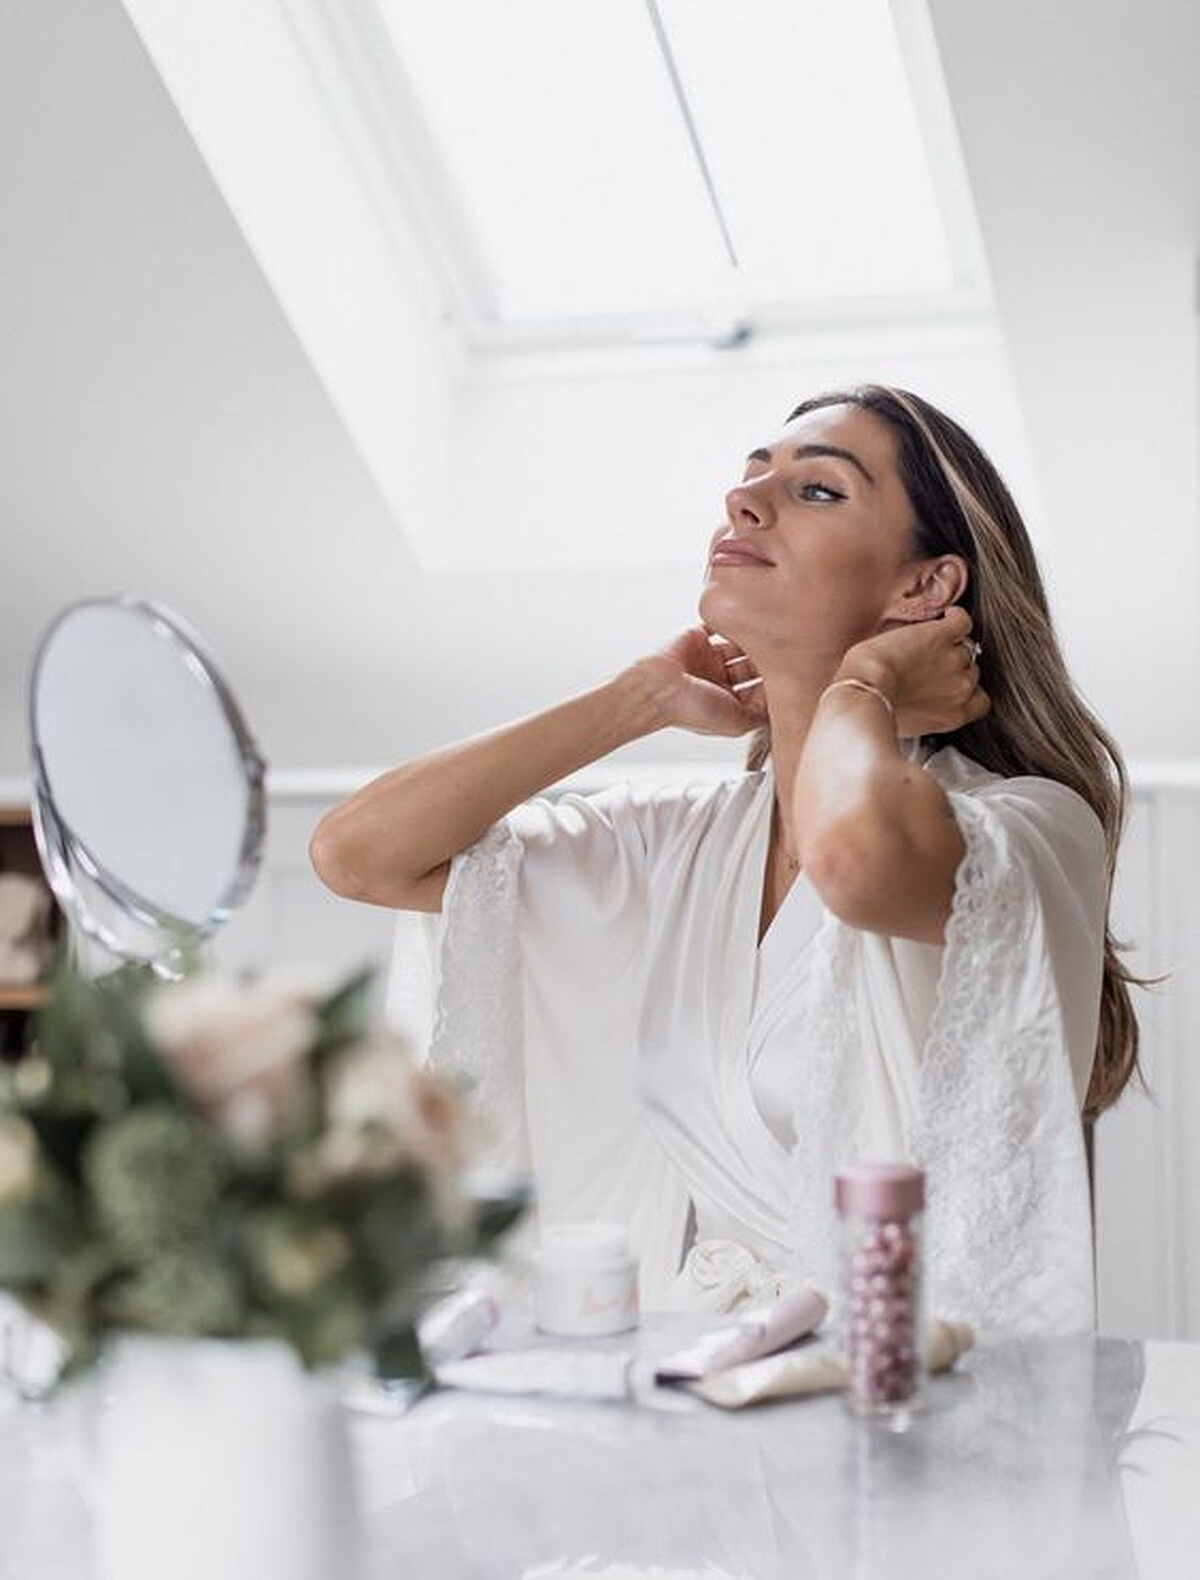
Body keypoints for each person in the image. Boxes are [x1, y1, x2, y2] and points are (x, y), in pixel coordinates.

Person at [310, 384, 1140, 1332]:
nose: (744, 502)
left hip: (918, 1382)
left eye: (818, 489)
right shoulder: (681, 843)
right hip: (713, 1371)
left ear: (923, 588)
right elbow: (357, 855)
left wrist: (865, 683)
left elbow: (854, 862)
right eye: (751, 477)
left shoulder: (1027, 828)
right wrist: (635, 701)